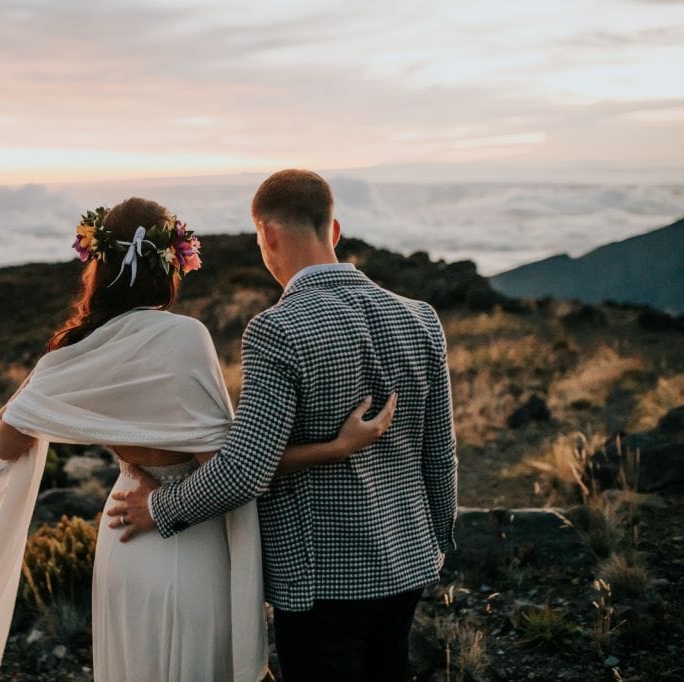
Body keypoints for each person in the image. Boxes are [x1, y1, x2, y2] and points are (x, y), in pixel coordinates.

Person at [0, 196, 396, 682]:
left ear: (99, 266)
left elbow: (5, 444)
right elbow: (232, 472)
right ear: (171, 265)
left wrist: (40, 378)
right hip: (191, 540)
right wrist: (334, 448)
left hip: (125, 539)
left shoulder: (76, 349)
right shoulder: (186, 338)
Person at [107, 170, 459, 681]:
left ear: (268, 235)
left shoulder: (278, 329)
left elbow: (245, 470)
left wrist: (158, 508)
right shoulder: (421, 317)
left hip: (321, 581)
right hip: (409, 558)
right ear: (333, 231)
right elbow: (440, 452)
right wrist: (438, 540)